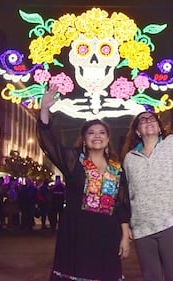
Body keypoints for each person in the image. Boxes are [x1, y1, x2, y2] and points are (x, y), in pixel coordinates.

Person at [38, 82, 131, 281]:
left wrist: (125, 236)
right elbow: (48, 141)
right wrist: (44, 108)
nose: (96, 136)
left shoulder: (117, 169)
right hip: (77, 231)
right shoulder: (73, 162)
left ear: (107, 139)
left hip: (107, 232)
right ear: (84, 139)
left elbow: (122, 205)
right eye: (91, 133)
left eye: (101, 133)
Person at [122, 74, 173, 281]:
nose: (148, 121)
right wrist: (128, 225)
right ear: (138, 132)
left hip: (172, 224)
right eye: (142, 120)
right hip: (142, 228)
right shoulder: (130, 159)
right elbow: (129, 193)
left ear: (159, 128)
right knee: (151, 277)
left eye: (152, 119)